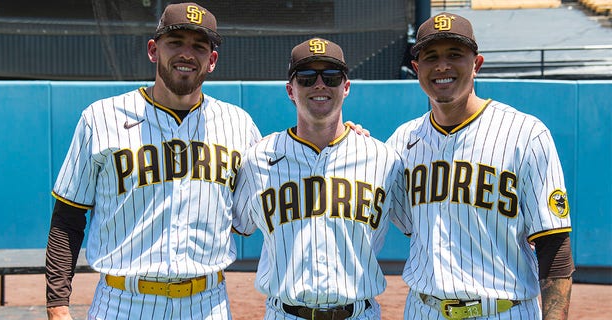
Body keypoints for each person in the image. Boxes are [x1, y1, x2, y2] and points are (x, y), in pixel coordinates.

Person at [45, 3, 262, 319]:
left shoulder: (239, 125)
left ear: (212, 60)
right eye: (175, 43)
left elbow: (264, 201)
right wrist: (57, 304)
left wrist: (348, 138)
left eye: (199, 47)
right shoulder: (100, 118)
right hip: (123, 301)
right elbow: (68, 216)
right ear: (153, 50)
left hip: (207, 302)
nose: (186, 54)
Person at [386, 12, 574, 319]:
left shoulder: (526, 134)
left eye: (455, 55)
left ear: (477, 64)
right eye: (431, 57)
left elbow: (554, 246)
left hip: (503, 310)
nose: (442, 66)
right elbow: (415, 228)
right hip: (426, 310)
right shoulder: (402, 142)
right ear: (417, 69)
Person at [231, 37, 411, 320]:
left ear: (346, 86)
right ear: (291, 90)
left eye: (331, 76)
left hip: (358, 313)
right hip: (285, 313)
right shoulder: (258, 160)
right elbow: (232, 223)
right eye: (305, 77)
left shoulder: (384, 159)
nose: (319, 85)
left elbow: (421, 221)